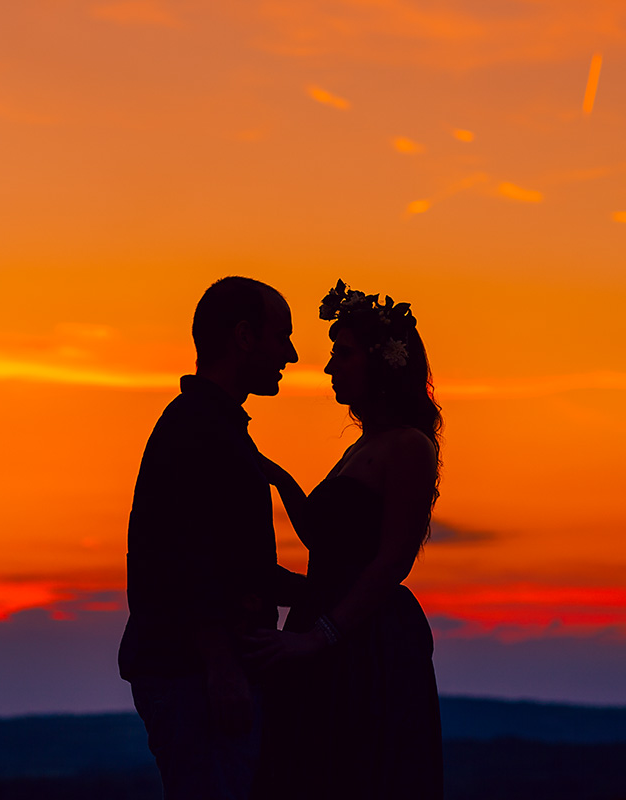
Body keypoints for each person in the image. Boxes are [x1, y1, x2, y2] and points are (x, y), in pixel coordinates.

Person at [247, 279, 444, 799]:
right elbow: (320, 537)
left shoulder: (408, 447)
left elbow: (391, 561)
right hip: (325, 622)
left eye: (343, 354)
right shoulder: (366, 445)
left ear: (383, 364)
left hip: (367, 641)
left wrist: (321, 637)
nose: (331, 367)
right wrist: (271, 475)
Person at [118, 276, 306, 800]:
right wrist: (221, 667)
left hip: (197, 671)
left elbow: (235, 565)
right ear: (244, 337)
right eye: (281, 336)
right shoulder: (200, 431)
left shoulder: (211, 427)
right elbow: (181, 561)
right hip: (192, 677)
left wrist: (321, 596)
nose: (290, 354)